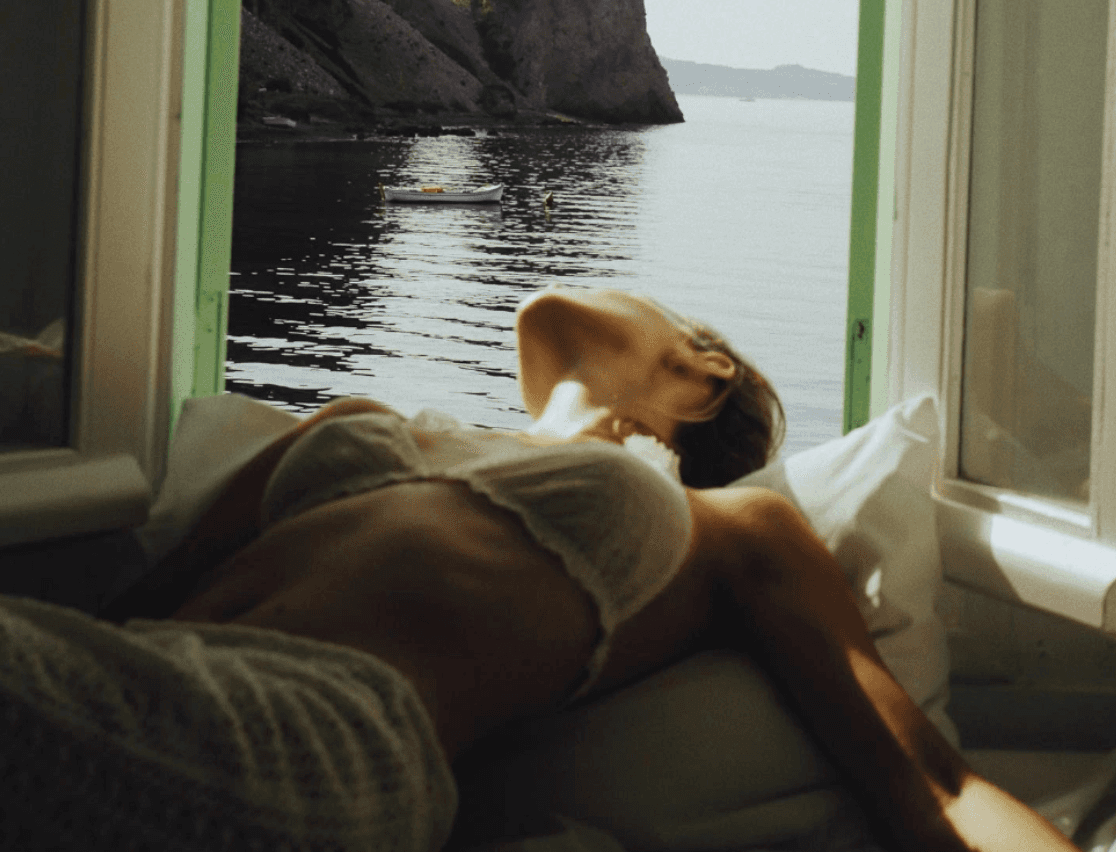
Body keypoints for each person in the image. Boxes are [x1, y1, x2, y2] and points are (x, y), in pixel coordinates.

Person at [29, 291, 1077, 851]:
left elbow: (934, 785)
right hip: (147, 677)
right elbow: (131, 614)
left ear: (702, 371)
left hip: (320, 743)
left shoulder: (724, 528)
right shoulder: (371, 427)